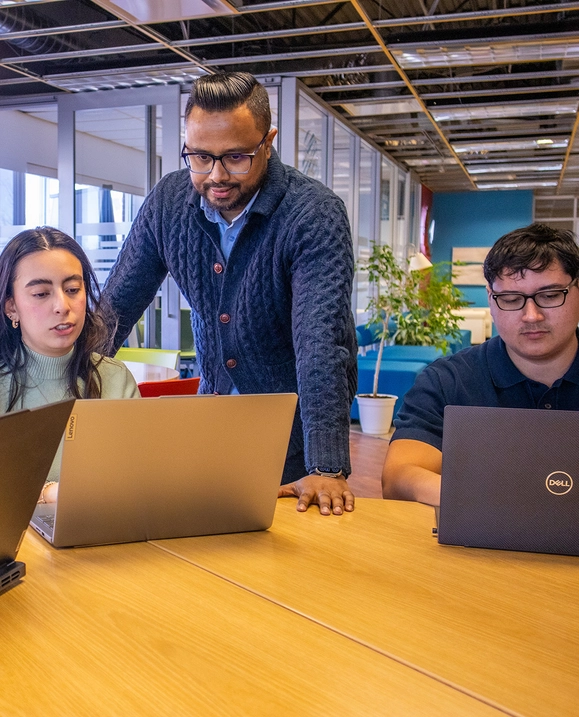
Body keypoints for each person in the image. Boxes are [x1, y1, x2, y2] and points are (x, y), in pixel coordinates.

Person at [103, 72, 358, 516]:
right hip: (214, 420)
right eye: (200, 156)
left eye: (236, 157)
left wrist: (328, 467)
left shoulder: (313, 214)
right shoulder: (169, 203)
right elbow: (114, 308)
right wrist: (57, 391)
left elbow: (320, 343)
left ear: (268, 141)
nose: (216, 175)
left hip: (294, 434)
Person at [382, 223, 579, 506]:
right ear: (491, 298)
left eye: (549, 296)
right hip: (478, 544)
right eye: (511, 299)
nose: (531, 316)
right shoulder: (448, 381)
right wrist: (493, 503)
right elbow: (398, 478)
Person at [0, 226, 139, 503]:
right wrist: (49, 493)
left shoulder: (115, 378)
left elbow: (139, 475)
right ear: (11, 308)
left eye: (73, 289)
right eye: (41, 294)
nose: (62, 305)